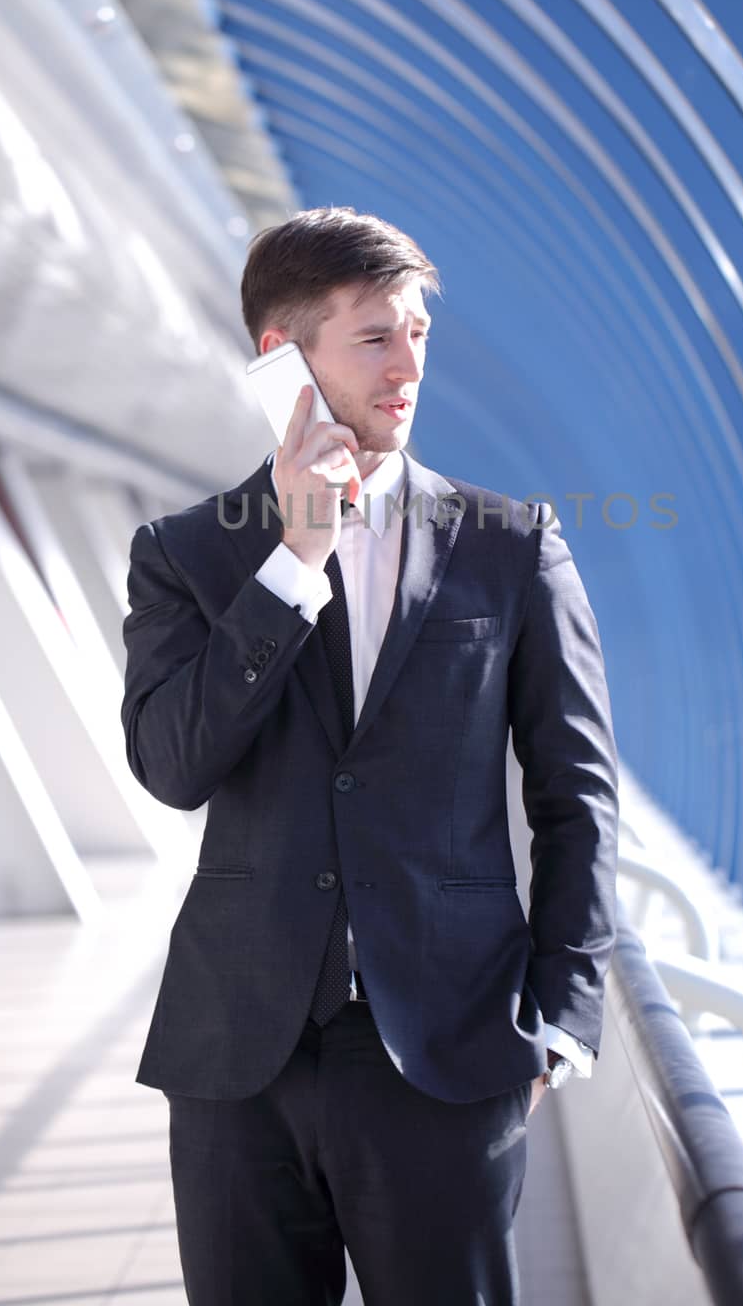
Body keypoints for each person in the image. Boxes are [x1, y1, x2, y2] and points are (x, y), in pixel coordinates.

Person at [121, 206, 620, 1305]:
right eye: (373, 338)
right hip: (235, 1059)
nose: (407, 368)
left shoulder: (511, 546)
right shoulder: (186, 555)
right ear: (280, 357)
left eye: (416, 335)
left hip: (448, 1052)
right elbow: (171, 766)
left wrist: (562, 1019)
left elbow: (576, 793)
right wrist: (295, 559)